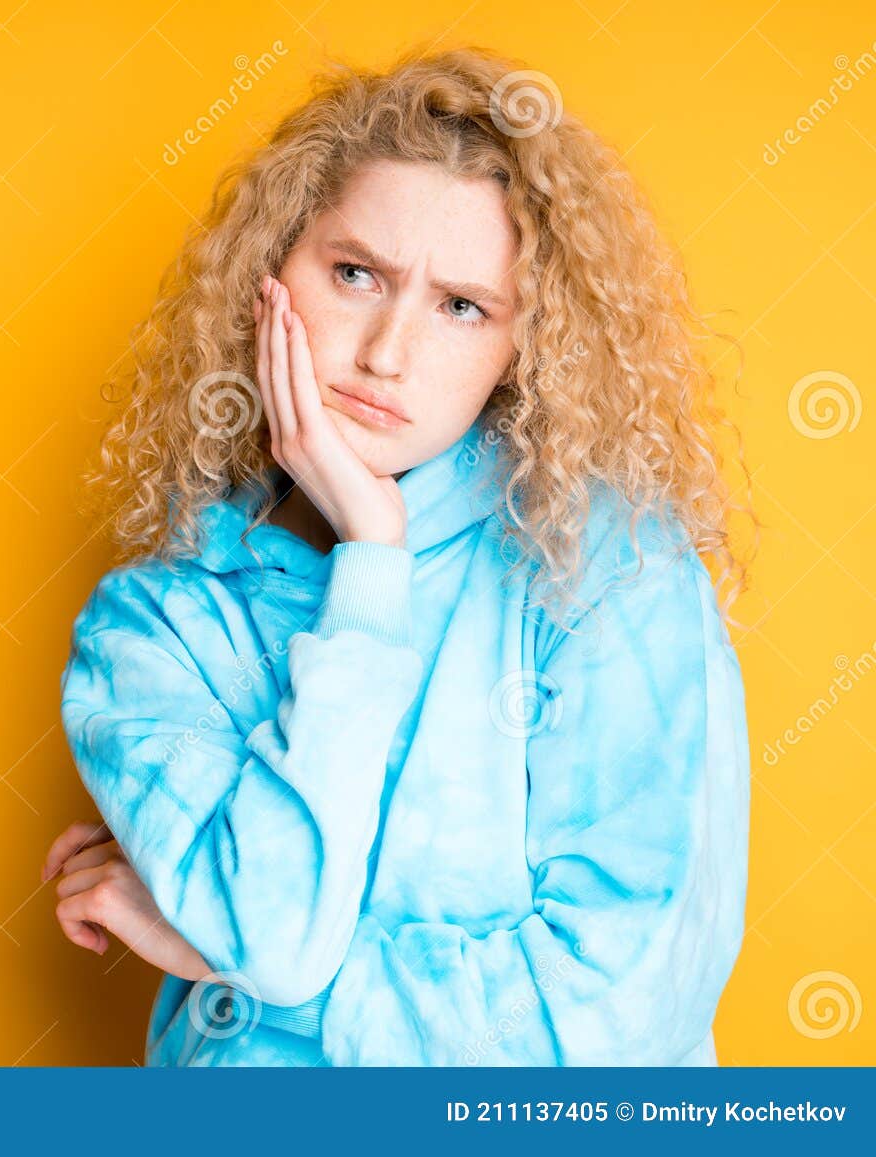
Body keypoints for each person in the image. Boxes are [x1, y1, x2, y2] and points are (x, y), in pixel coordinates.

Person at [42, 44, 759, 1066]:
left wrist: (228, 962)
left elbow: (618, 1012)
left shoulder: (604, 563)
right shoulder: (157, 625)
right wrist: (372, 567)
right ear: (265, 279)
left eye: (461, 305)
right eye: (353, 274)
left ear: (522, 346)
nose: (386, 352)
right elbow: (278, 941)